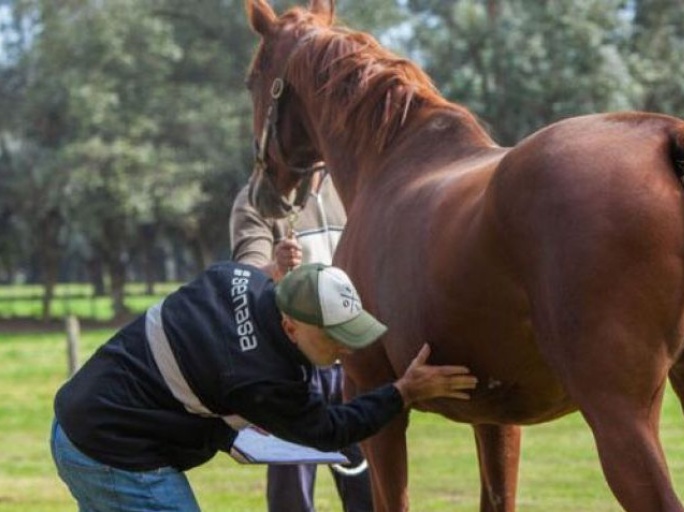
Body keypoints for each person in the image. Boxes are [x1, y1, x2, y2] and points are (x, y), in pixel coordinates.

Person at [52, 261, 477, 512]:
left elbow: (205, 351)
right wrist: (404, 391)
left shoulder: (236, 276)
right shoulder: (264, 378)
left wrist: (224, 423)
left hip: (83, 418)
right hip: (110, 449)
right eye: (333, 337)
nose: (345, 350)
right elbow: (330, 430)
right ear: (290, 326)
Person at [229, 169, 371, 511]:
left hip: (354, 360)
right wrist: (275, 267)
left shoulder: (354, 185)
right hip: (293, 367)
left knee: (369, 488)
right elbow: (245, 277)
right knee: (291, 493)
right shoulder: (257, 199)